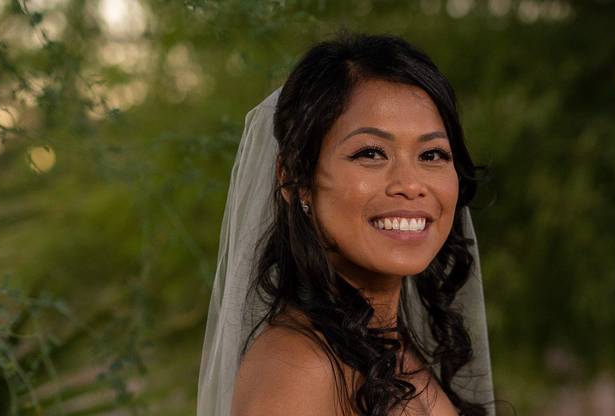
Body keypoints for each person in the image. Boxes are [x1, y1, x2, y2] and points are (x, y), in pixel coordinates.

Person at [197, 32, 495, 415]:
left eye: (432, 154)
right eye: (371, 153)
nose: (410, 184)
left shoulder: (389, 347)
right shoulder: (299, 370)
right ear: (297, 180)